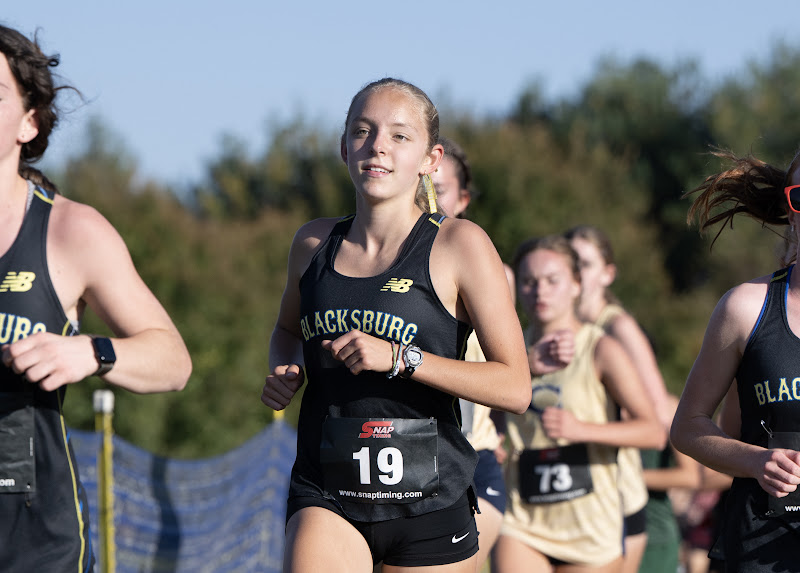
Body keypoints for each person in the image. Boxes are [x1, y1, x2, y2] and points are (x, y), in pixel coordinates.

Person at [260, 78, 530, 573]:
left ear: (431, 158)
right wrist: (285, 369)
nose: (378, 145)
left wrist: (402, 358)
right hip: (328, 491)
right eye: (363, 131)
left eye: (400, 135)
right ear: (345, 148)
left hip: (429, 501)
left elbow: (515, 386)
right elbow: (286, 331)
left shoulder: (460, 245)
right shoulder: (312, 243)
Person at [0, 25, 192, 572]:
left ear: (29, 121)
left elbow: (173, 362)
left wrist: (90, 353)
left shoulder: (70, 232)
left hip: (36, 544)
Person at [492, 235, 664, 573]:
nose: (539, 291)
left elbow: (653, 432)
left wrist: (581, 429)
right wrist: (495, 436)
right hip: (524, 519)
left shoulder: (602, 349)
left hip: (590, 527)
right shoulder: (506, 348)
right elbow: (489, 412)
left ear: (575, 285)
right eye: (528, 282)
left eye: (552, 281)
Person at [671, 147, 800, 572]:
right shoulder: (747, 307)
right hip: (760, 547)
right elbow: (687, 428)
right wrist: (756, 460)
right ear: (791, 210)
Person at [565, 224, 671, 573]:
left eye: (585, 263)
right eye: (570, 261)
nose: (576, 271)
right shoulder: (558, 328)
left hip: (617, 484)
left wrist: (588, 427)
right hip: (571, 480)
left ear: (608, 274)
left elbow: (660, 411)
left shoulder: (618, 327)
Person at [432, 136, 507, 571]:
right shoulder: (377, 264)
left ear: (462, 199)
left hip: (471, 457)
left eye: (439, 190)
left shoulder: (488, 269)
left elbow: (513, 373)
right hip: (392, 456)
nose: (426, 198)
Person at [638, 393, 702, 573]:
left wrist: (630, 478)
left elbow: (690, 476)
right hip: (601, 528)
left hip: (653, 533)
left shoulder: (666, 405)